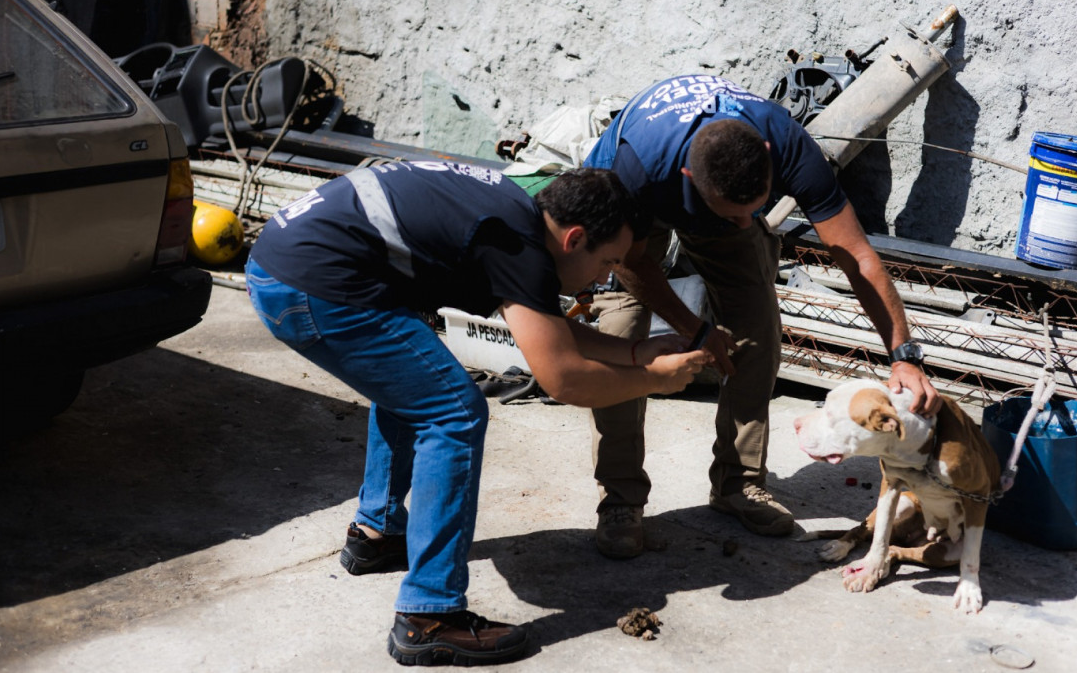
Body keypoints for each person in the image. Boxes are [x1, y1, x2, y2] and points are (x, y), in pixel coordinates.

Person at [244, 160, 709, 666]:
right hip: (314, 284)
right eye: (607, 263)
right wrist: (655, 380)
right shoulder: (518, 246)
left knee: (414, 382)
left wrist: (641, 351)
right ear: (575, 238)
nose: (602, 280)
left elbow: (550, 330)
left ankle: (376, 533)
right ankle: (429, 616)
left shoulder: (522, 214)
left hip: (288, 264)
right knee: (454, 411)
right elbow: (563, 378)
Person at [581, 74, 942, 559]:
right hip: (628, 209)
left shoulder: (789, 145)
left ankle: (739, 483)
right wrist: (695, 329)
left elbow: (857, 257)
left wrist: (905, 355)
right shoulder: (636, 168)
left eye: (754, 210)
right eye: (732, 214)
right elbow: (629, 262)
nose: (742, 224)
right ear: (692, 181)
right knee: (621, 338)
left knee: (757, 328)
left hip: (705, 191)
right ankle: (620, 498)